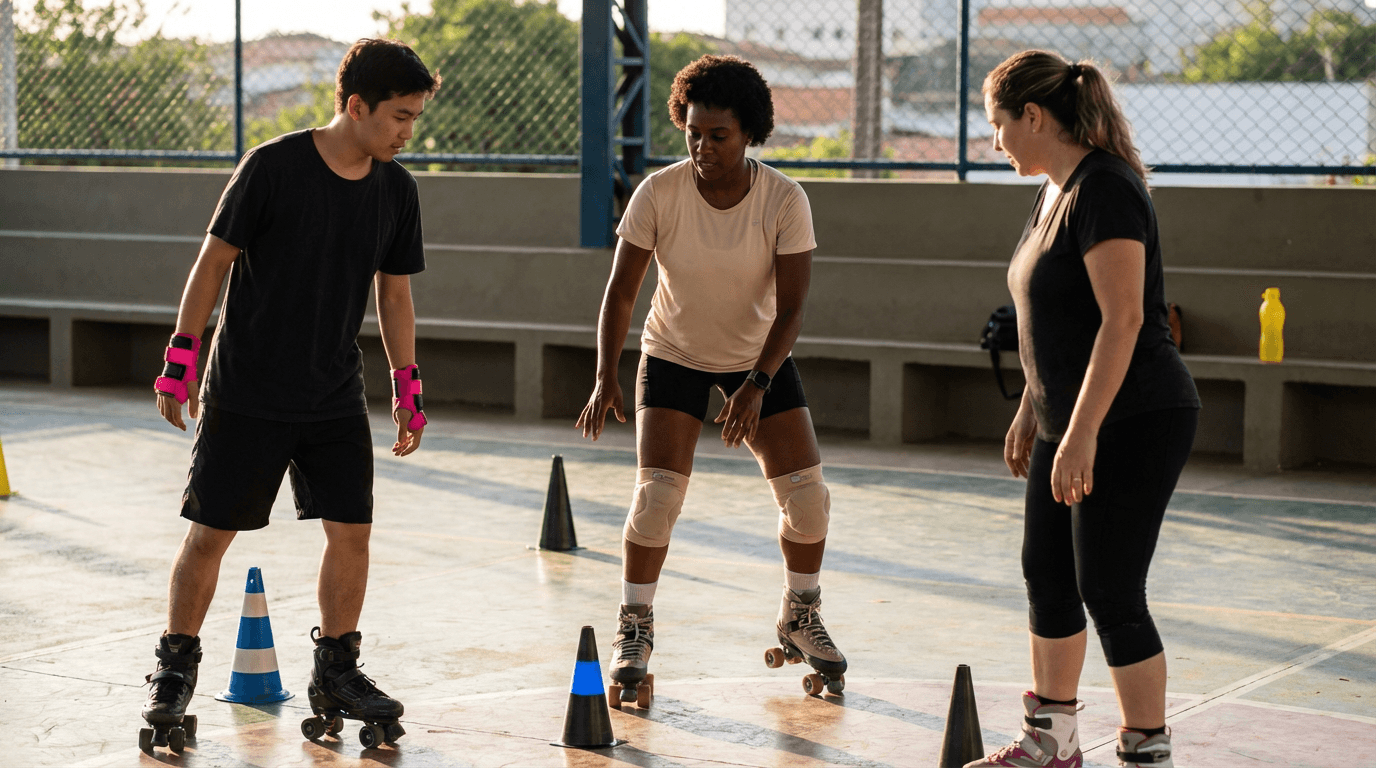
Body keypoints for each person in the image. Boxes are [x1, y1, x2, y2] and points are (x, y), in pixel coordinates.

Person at [139, 39, 440, 751]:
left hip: (333, 391)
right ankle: (174, 670)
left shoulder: (397, 190)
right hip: (247, 388)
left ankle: (337, 670)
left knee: (352, 531)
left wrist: (407, 387)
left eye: (415, 118)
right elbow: (213, 261)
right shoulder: (272, 167)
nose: (408, 131)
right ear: (357, 106)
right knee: (211, 533)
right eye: (400, 116)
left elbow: (394, 294)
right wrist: (180, 359)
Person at [576, 54, 846, 703]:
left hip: (758, 356)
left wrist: (757, 384)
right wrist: (606, 375)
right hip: (673, 352)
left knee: (808, 500)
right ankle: (634, 625)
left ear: (749, 133)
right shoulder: (659, 192)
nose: (702, 147)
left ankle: (800, 613)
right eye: (692, 133)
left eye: (718, 135)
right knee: (656, 498)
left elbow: (792, 309)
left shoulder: (784, 199)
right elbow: (621, 293)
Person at [965, 51, 1199, 768]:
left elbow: (1122, 320)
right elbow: (1055, 319)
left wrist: (1082, 431)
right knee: (1047, 572)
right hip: (1067, 417)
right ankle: (1052, 740)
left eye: (998, 124)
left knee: (1110, 586)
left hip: (1133, 415)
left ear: (1034, 117)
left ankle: (1146, 746)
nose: (994, 142)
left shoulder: (1106, 189)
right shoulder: (1052, 191)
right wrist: (1033, 410)